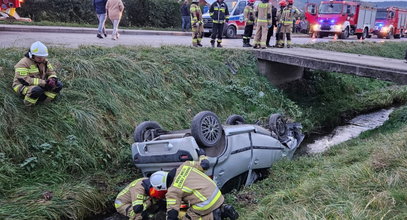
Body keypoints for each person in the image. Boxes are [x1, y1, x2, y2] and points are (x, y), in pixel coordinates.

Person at [149, 157, 239, 220]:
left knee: (190, 217)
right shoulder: (185, 166)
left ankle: (214, 216)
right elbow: (204, 165)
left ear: (161, 186)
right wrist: (202, 155)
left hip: (207, 203)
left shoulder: (172, 191)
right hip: (217, 194)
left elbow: (172, 214)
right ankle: (223, 209)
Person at [13, 41, 63, 106]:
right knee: (36, 90)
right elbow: (24, 80)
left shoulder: (44, 61)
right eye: (39, 57)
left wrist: (52, 79)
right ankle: (28, 106)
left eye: (43, 57)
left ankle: (45, 102)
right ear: (32, 55)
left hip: (39, 84)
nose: (41, 59)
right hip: (21, 85)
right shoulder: (23, 63)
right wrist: (44, 83)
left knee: (58, 85)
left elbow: (51, 72)